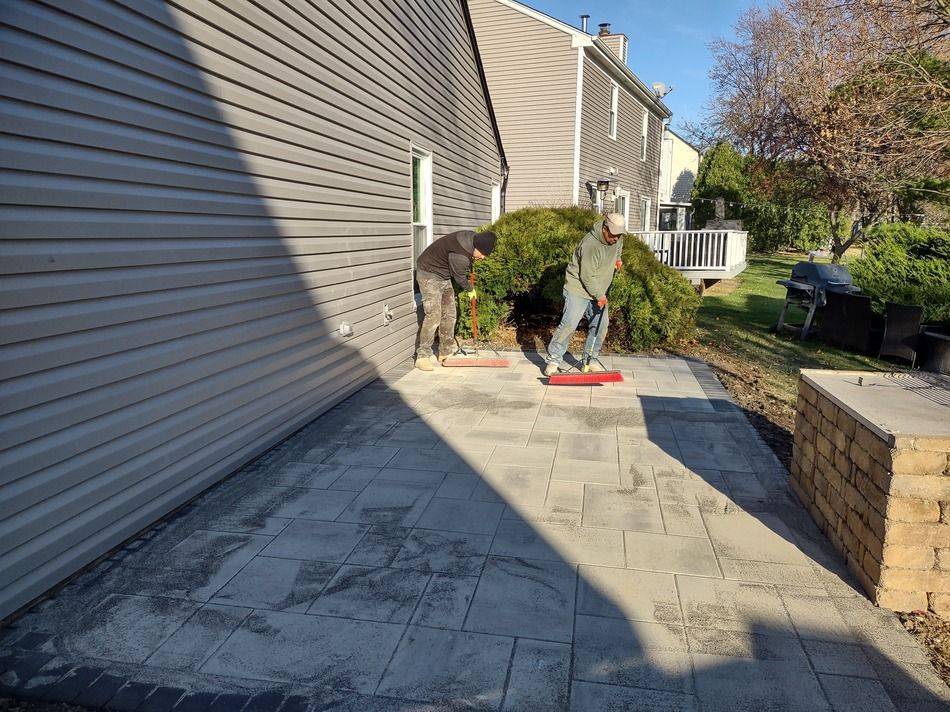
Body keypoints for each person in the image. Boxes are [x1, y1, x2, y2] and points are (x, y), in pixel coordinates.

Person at [544, 213, 625, 376]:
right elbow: (587, 276)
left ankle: (590, 361)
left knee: (601, 326)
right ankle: (553, 360)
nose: (616, 238)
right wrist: (600, 296)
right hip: (578, 288)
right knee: (569, 324)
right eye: (613, 234)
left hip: (598, 290)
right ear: (604, 229)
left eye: (619, 235)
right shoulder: (590, 245)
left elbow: (618, 247)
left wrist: (617, 258)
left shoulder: (617, 237)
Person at [414, 229, 497, 371]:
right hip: (428, 274)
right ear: (476, 248)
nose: (483, 257)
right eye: (483, 254)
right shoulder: (461, 257)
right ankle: (422, 356)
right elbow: (459, 277)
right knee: (434, 316)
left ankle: (445, 352)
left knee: (450, 314)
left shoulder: (472, 238)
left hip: (443, 275)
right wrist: (470, 289)